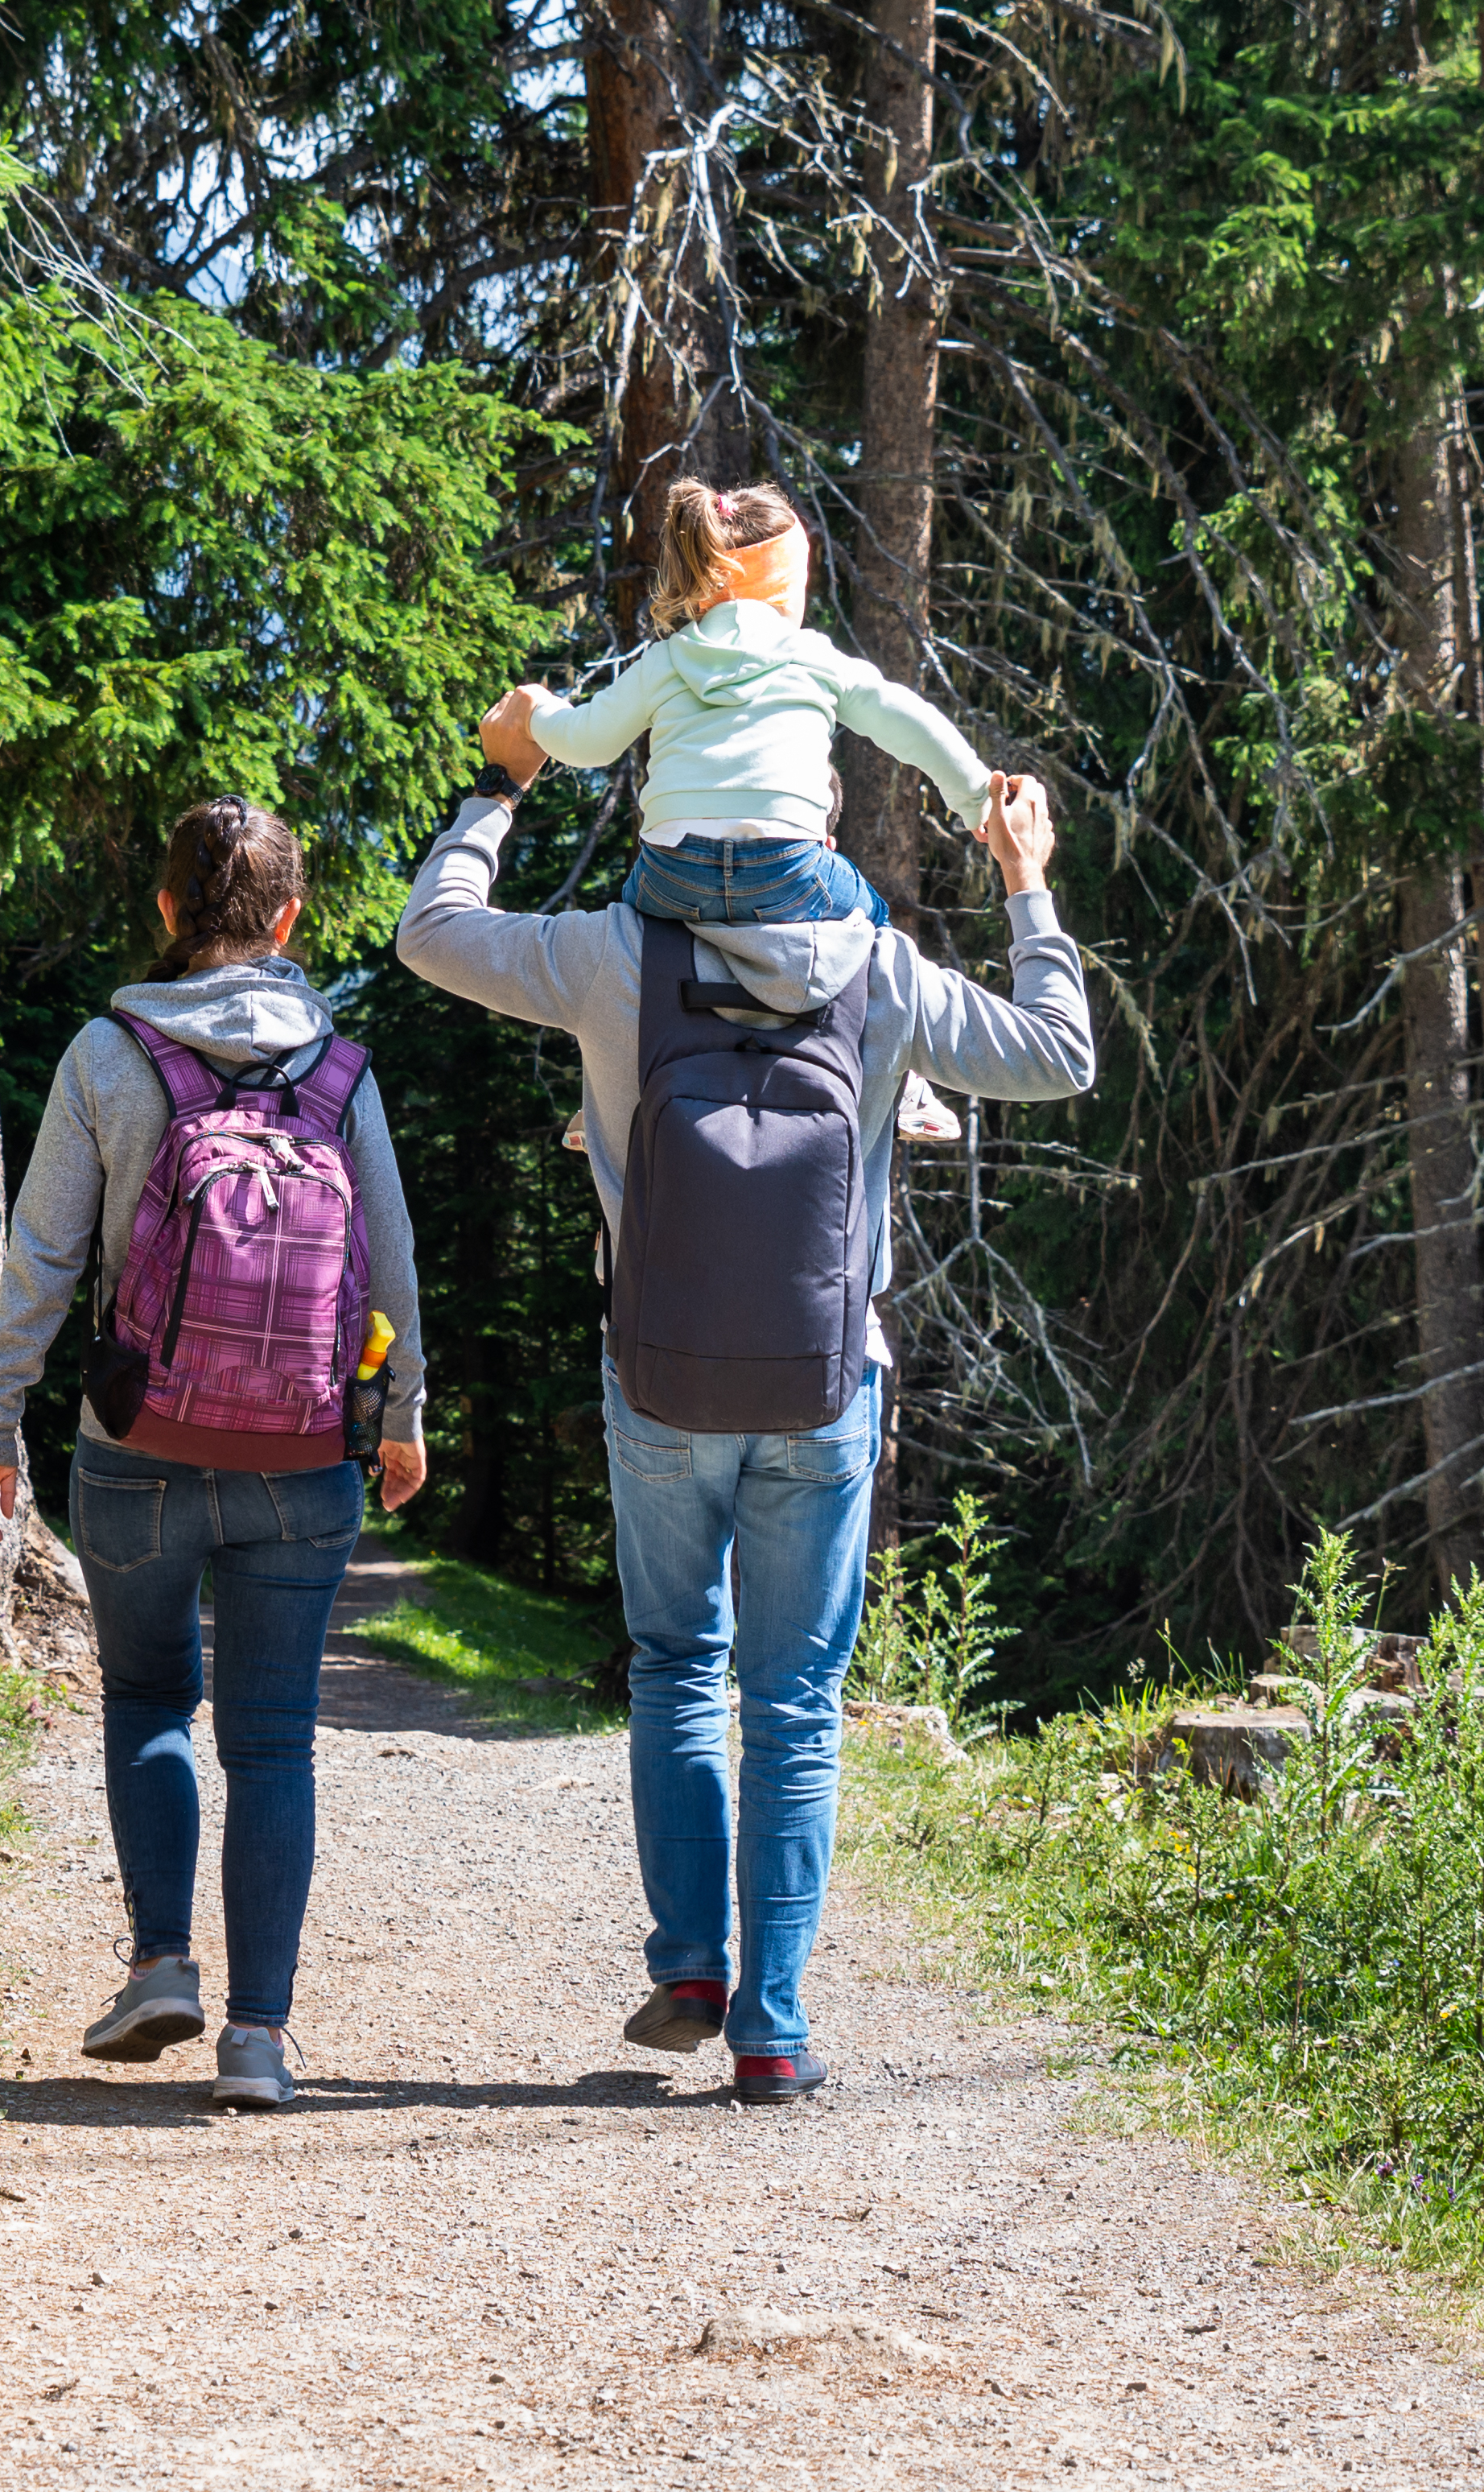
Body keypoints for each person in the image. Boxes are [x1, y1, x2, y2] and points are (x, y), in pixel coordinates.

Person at [393, 697, 1091, 2104]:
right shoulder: (883, 973)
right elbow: (1061, 1054)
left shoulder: (608, 955)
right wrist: (1026, 881)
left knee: (676, 1665)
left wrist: (501, 784)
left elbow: (432, 935)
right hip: (825, 1384)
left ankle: (688, 1967)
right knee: (795, 1702)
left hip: (655, 1377)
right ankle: (772, 2029)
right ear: (821, 827)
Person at [0, 798, 427, 2113]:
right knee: (272, 1741)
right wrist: (405, 1414)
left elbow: (43, 1256)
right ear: (287, 923)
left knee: (151, 1697)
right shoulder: (340, 1069)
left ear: (167, 915)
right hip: (303, 1455)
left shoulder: (110, 1056)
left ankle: (163, 1961)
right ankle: (260, 2042)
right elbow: (387, 1261)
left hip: (135, 1445)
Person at [513, 477, 986, 1141]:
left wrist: (539, 710)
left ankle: (606, 1105)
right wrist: (973, 798)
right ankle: (908, 1089)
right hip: (788, 867)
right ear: (785, 583)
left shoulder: (667, 660)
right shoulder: (813, 658)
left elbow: (586, 742)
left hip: (672, 873)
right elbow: (909, 723)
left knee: (626, 947)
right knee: (875, 927)